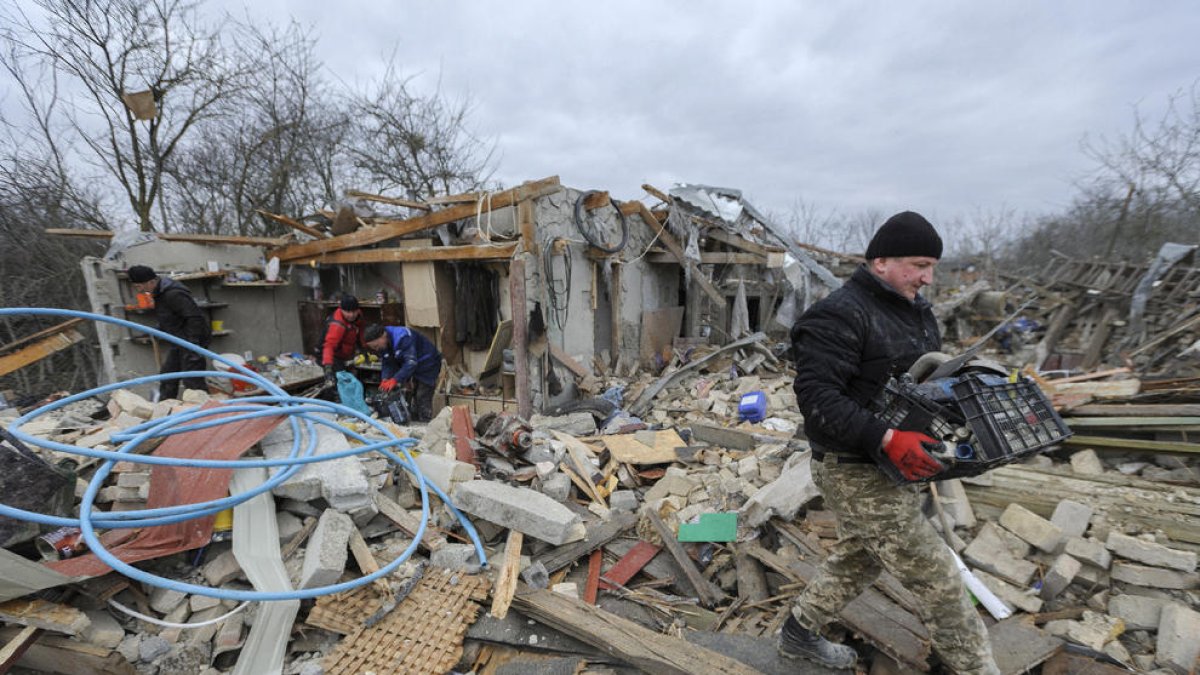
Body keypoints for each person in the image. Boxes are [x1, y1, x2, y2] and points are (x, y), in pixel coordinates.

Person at [783, 212, 999, 674]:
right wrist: (885, 436)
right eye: (919, 264)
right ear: (880, 261)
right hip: (852, 467)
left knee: (861, 558)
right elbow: (817, 399)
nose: (928, 277)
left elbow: (923, 381)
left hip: (899, 464)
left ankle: (799, 633)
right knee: (937, 578)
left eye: (933, 267)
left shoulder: (916, 312)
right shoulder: (839, 314)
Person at [127, 265, 211, 401]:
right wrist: (159, 330)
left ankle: (205, 412)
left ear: (151, 282)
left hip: (192, 341)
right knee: (168, 376)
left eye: (139, 286)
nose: (139, 290)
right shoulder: (159, 294)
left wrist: (193, 344)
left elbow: (194, 317)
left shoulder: (173, 293)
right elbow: (170, 317)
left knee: (192, 381)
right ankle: (165, 409)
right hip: (179, 341)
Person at [362, 323, 442, 422]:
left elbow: (411, 363)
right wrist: (385, 378)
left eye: (376, 346)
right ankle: (414, 421)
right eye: (373, 347)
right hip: (411, 365)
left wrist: (396, 379)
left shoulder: (402, 337)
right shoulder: (383, 343)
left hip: (428, 363)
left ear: (383, 336)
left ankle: (425, 423)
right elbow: (387, 362)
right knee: (412, 394)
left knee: (422, 395)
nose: (376, 349)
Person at [321, 295, 365, 387]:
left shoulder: (359, 316)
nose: (352, 315)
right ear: (341, 310)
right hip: (333, 356)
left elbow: (361, 333)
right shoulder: (337, 325)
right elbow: (329, 346)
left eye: (354, 311)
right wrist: (328, 368)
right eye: (348, 312)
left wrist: (363, 350)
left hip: (348, 354)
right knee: (342, 384)